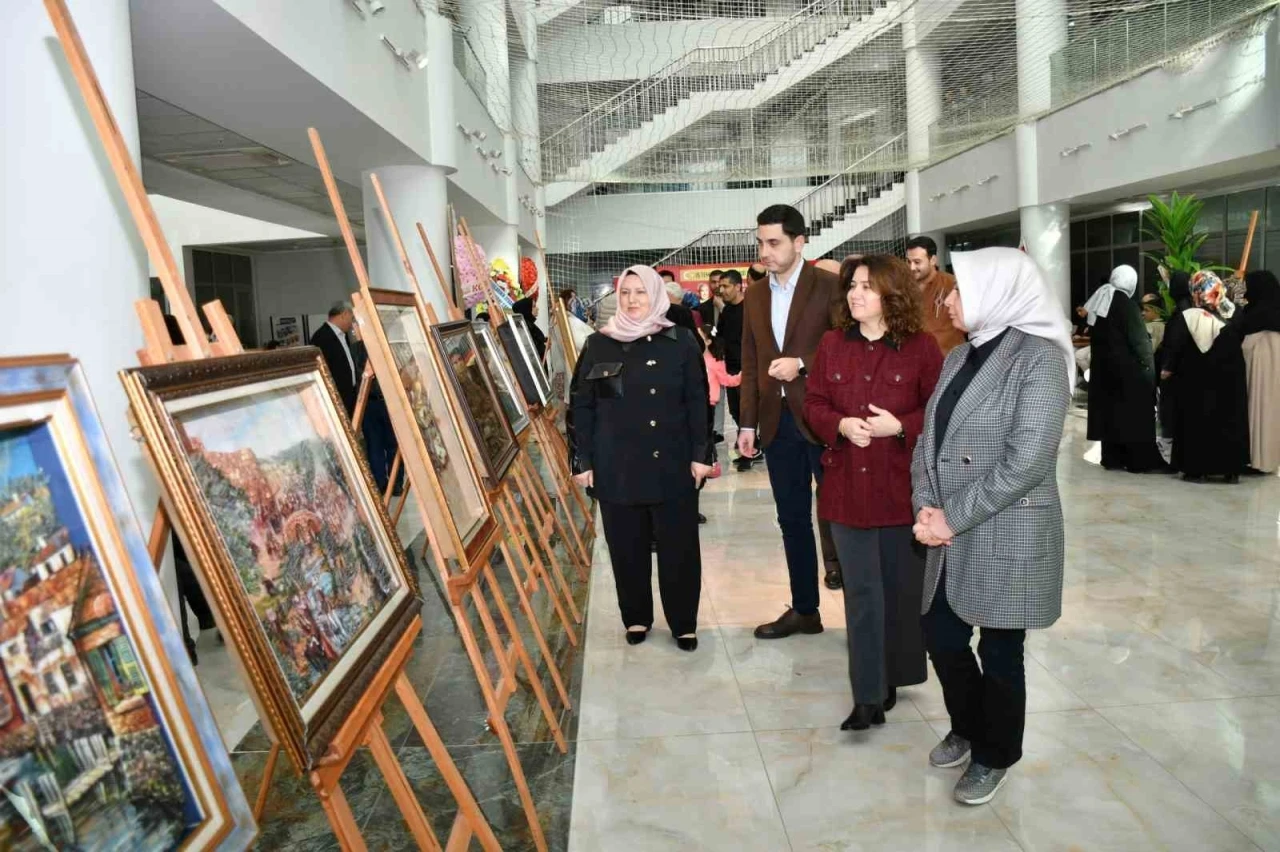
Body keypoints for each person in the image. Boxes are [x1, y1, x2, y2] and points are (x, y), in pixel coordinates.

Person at [910, 247, 1073, 806]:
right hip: (948, 529)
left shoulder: (1041, 359)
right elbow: (928, 443)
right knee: (941, 635)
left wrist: (950, 517)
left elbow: (1027, 462)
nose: (948, 300)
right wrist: (926, 507)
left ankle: (994, 753)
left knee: (1001, 651)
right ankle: (969, 722)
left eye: (958, 291)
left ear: (997, 292)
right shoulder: (959, 357)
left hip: (1004, 529)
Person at [804, 255, 942, 731]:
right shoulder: (831, 345)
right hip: (846, 492)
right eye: (852, 286)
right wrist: (839, 424)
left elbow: (940, 412)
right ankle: (867, 696)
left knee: (900, 592)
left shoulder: (922, 348)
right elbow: (815, 403)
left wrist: (898, 427)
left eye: (866, 286)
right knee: (862, 593)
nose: (854, 294)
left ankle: (894, 674)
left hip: (901, 492)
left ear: (892, 294)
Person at [569, 265, 712, 651]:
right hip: (617, 465)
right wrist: (582, 462)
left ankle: (683, 622)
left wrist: (701, 455)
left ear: (656, 296)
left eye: (640, 292)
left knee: (679, 549)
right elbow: (582, 408)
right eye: (626, 292)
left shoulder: (681, 341)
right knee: (626, 549)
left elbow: (698, 402)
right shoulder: (598, 344)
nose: (632, 300)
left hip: (673, 462)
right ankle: (635, 618)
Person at [739, 204, 842, 639]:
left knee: (842, 519)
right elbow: (750, 358)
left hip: (825, 418)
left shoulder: (830, 287)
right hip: (777, 424)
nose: (765, 251)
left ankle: (862, 613)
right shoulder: (757, 294)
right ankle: (805, 610)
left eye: (774, 242)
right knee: (792, 519)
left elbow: (849, 349)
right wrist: (746, 423)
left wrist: (802, 363)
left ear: (800, 242)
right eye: (761, 242)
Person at [1167, 271, 1249, 482]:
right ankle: (1231, 469)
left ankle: (1197, 468)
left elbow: (1176, 346)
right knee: (1230, 418)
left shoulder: (1190, 316)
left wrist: (1169, 368)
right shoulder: (1236, 312)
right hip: (1231, 373)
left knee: (1199, 418)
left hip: (1198, 375)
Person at [1084, 265, 1164, 472]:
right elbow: (1139, 341)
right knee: (1133, 417)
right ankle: (1139, 461)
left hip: (1106, 373)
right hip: (1128, 373)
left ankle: (1113, 458)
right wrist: (1148, 366)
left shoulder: (1104, 302)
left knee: (1112, 416)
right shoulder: (1126, 306)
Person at [1240, 270, 1280, 474]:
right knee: (1271, 413)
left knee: (1257, 410)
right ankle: (1268, 460)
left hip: (1259, 368)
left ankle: (1256, 459)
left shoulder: (1255, 313)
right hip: (1274, 371)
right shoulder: (1274, 309)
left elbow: (1241, 335)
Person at [905, 235, 966, 354]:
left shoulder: (952, 284)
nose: (911, 267)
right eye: (908, 261)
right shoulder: (902, 288)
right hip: (914, 360)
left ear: (933, 260)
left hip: (949, 360)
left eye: (917, 262)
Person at [716, 269, 750, 466]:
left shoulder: (750, 309)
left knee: (746, 412)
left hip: (747, 370)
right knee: (736, 411)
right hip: (730, 370)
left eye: (726, 286)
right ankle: (751, 448)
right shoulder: (727, 311)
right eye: (720, 286)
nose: (722, 290)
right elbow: (721, 336)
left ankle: (748, 452)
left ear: (738, 286)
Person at [310, 301, 358, 416]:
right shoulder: (321, 337)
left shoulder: (343, 335)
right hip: (337, 400)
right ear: (344, 314)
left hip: (349, 396)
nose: (351, 324)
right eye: (351, 319)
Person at [512, 296, 547, 362]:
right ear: (526, 309)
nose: (537, 308)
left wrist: (544, 340)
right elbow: (531, 349)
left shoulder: (529, 324)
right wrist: (545, 346)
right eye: (534, 306)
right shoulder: (525, 327)